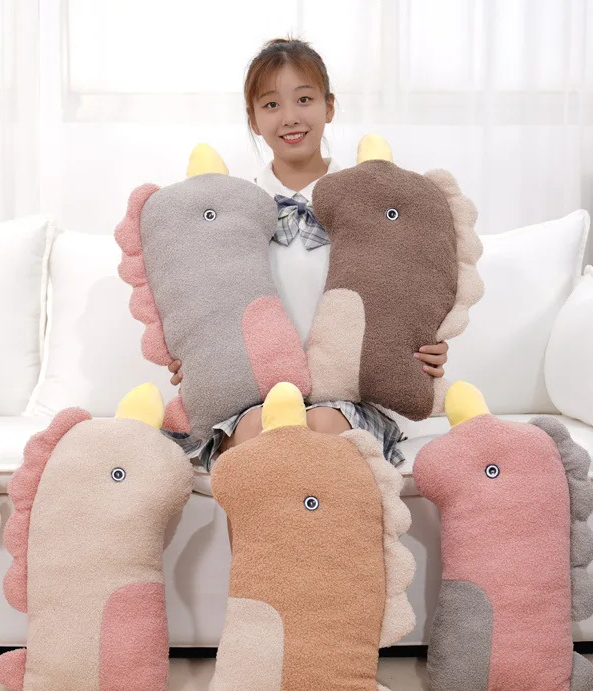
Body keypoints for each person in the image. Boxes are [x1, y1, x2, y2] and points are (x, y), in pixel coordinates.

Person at [169, 37, 448, 470]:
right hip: (253, 399)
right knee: (260, 436)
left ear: (329, 107)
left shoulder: (372, 206)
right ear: (254, 120)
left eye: (304, 99)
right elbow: (204, 302)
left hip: (347, 398)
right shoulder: (231, 216)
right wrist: (193, 351)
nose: (290, 117)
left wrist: (425, 345)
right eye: (271, 105)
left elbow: (411, 288)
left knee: (322, 431)